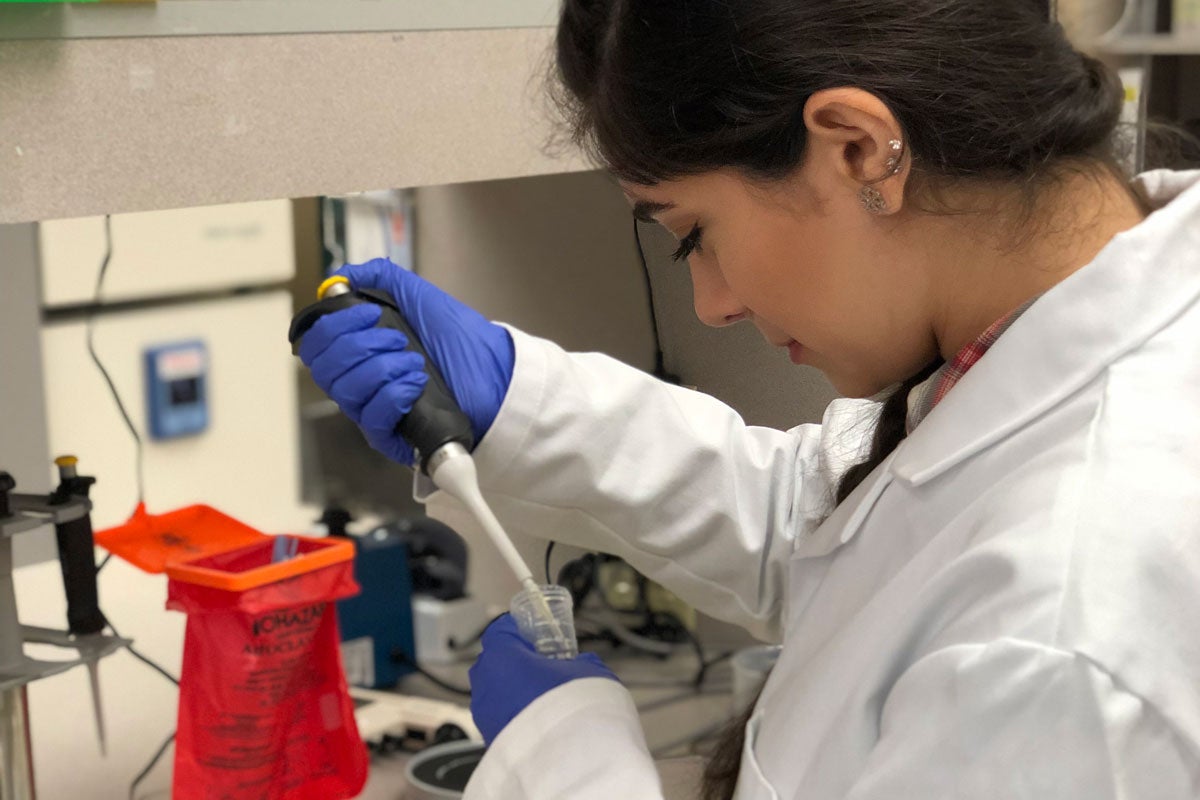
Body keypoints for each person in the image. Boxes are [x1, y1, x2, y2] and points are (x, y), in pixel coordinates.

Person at [298, 1, 1200, 797]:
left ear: (857, 148)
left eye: (695, 235)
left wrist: (564, 761)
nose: (714, 305)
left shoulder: (1060, 639)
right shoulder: (1074, 343)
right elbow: (844, 535)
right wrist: (518, 399)